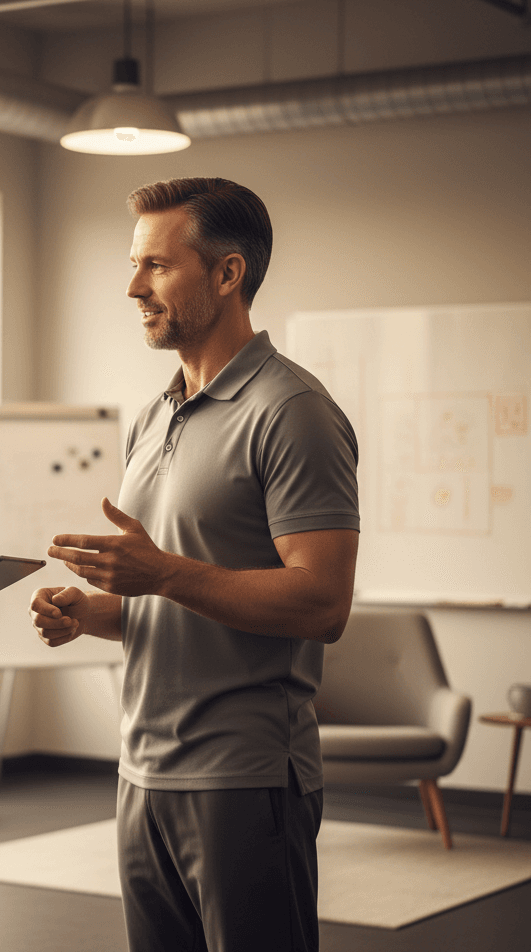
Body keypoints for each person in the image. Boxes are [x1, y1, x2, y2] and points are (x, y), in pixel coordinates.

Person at [29, 178, 360, 952]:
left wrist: (164, 574)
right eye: (133, 264)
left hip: (244, 776)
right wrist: (94, 614)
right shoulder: (155, 414)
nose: (132, 287)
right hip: (142, 773)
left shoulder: (293, 412)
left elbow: (322, 604)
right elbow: (170, 595)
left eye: (155, 266)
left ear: (227, 273)